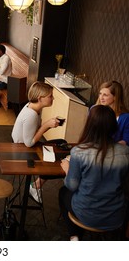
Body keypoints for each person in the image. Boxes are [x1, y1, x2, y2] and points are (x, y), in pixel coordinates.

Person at [59, 105, 129, 241]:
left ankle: (74, 236)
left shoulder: (79, 152)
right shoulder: (125, 152)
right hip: (117, 215)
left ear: (89, 125)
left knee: (63, 193)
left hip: (87, 213)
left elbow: (72, 185)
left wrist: (67, 169)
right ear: (114, 126)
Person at [11, 81, 61, 202]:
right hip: (22, 150)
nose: (53, 98)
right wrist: (45, 126)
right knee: (56, 160)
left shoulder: (33, 107)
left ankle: (36, 185)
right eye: (50, 96)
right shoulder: (31, 115)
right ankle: (35, 186)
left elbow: (34, 131)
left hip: (25, 145)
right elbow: (29, 143)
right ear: (40, 98)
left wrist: (48, 125)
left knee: (60, 142)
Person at [94, 81, 129, 145]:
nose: (101, 98)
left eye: (105, 95)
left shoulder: (126, 117)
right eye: (100, 94)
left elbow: (126, 140)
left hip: (114, 151)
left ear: (115, 97)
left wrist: (112, 148)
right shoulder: (93, 110)